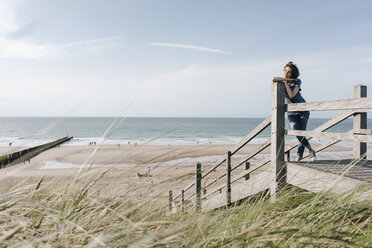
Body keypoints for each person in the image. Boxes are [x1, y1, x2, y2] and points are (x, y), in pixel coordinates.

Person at [272, 61, 316, 161]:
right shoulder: (281, 81)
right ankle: (311, 150)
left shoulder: (297, 81)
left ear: (293, 73)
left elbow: (292, 95)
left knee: (301, 133)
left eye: (289, 72)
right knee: (297, 132)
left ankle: (299, 155)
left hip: (302, 110)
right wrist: (285, 80)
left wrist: (286, 83)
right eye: (285, 70)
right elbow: (273, 79)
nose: (286, 73)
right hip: (291, 111)